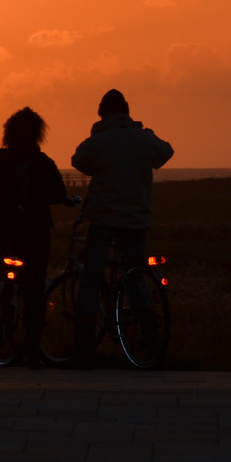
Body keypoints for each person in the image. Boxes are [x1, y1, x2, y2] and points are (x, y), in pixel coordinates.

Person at [70, 89, 175, 362]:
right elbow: (165, 152)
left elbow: (78, 160)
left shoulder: (99, 141)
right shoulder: (143, 138)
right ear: (128, 111)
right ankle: (150, 340)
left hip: (103, 218)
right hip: (138, 218)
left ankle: (82, 349)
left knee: (91, 278)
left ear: (101, 114)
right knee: (135, 275)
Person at [0, 107, 71, 368]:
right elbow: (58, 192)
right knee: (33, 290)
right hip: (34, 233)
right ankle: (32, 351)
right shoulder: (43, 162)